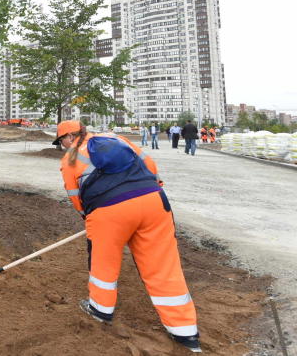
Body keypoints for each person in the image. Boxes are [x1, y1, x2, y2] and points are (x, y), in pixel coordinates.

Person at [54, 120, 201, 353]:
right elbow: (150, 166)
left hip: (108, 212)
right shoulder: (116, 139)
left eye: (61, 141)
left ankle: (100, 309)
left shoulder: (69, 161)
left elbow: (76, 198)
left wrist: (90, 217)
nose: (62, 145)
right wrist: (153, 189)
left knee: (103, 261)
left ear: (69, 137)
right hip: (153, 201)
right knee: (163, 265)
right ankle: (185, 331)